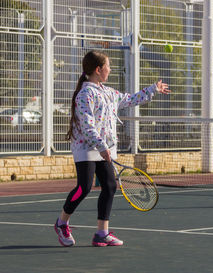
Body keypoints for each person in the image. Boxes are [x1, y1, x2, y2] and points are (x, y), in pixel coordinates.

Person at [54, 50, 171, 247]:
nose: (110, 69)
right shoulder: (85, 94)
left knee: (109, 186)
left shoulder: (108, 93)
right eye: (108, 66)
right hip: (86, 148)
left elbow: (131, 99)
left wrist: (153, 89)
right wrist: (100, 146)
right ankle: (61, 222)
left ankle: (102, 233)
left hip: (104, 148)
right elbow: (87, 125)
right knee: (84, 188)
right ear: (99, 70)